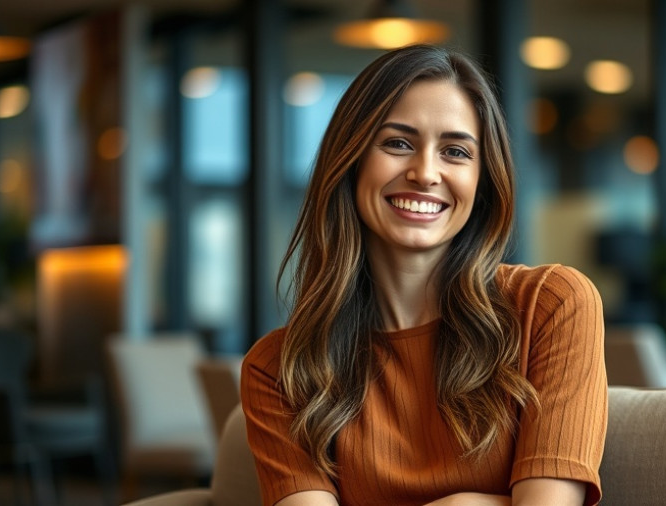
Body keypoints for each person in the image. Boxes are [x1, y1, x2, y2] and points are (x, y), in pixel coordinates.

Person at [240, 44, 607, 506]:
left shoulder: (552, 305)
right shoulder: (279, 369)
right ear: (350, 162)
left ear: (483, 180)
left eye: (455, 151)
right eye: (397, 143)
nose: (425, 173)